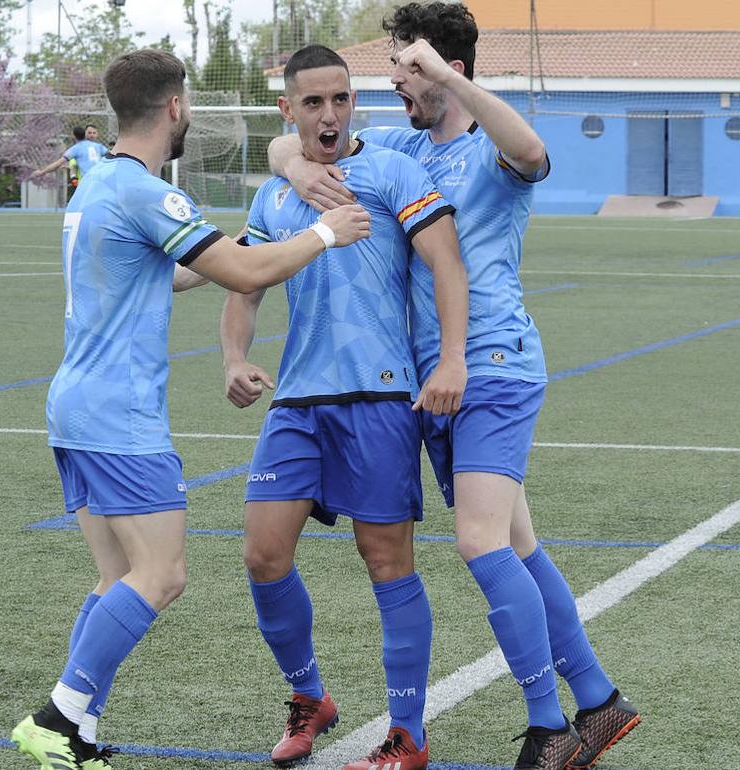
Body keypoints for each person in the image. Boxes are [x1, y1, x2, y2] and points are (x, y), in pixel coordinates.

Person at [266, 4, 641, 769]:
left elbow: (533, 150)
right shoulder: (402, 145)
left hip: (490, 366)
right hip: (431, 383)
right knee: (518, 547)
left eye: (411, 69)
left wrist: (451, 81)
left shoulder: (491, 152)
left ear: (450, 73)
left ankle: (549, 731)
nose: (396, 83)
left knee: (477, 542)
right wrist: (294, 164)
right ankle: (599, 702)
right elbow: (292, 141)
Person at [9, 48, 371, 770]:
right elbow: (240, 273)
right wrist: (326, 233)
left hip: (76, 409)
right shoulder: (145, 192)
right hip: (119, 417)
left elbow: (175, 270)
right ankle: (57, 716)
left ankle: (73, 731)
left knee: (117, 580)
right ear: (174, 108)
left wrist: (249, 239)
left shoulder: (98, 183)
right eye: (190, 106)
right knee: (162, 575)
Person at [223, 44, 468, 770]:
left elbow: (446, 264)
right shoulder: (276, 193)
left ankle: (408, 735)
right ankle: (311, 700)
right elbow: (244, 285)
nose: (330, 115)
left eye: (341, 99)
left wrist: (451, 359)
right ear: (288, 109)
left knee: (386, 560)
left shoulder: (394, 171)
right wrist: (235, 358)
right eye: (313, 103)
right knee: (262, 556)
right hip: (297, 401)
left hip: (381, 397)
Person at [32, 124, 112, 188]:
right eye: (90, 133)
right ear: (85, 134)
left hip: (88, 181)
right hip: (101, 180)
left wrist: (42, 172)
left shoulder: (76, 149)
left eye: (94, 133)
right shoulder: (99, 146)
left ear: (74, 136)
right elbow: (112, 156)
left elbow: (59, 163)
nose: (92, 135)